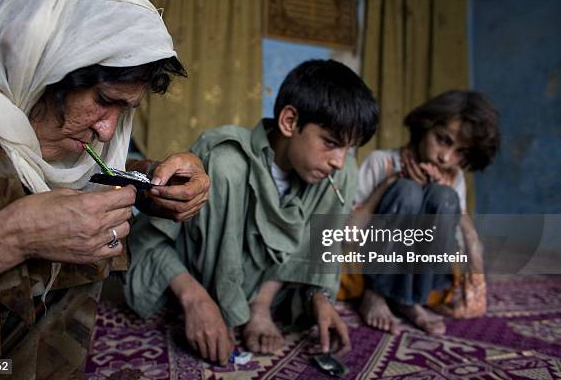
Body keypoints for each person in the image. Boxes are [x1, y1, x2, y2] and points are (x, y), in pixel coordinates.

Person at [0, 0, 210, 378]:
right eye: (104, 101)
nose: (107, 131)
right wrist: (14, 236)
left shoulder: (43, 129)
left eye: (123, 110)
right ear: (37, 62)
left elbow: (68, 172)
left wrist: (149, 181)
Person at [125, 59, 379, 365]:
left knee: (345, 175)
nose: (338, 160)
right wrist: (195, 300)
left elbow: (319, 246)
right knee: (228, 168)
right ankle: (214, 300)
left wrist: (313, 297)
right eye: (330, 143)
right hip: (199, 272)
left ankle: (256, 304)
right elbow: (153, 237)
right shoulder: (224, 154)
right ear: (289, 121)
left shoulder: (339, 172)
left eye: (348, 149)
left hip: (274, 287)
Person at [347, 90, 500, 335]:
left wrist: (448, 199)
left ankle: (410, 300)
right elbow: (349, 233)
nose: (446, 157)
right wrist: (388, 185)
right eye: (443, 139)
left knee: (444, 198)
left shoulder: (454, 178)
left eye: (460, 152)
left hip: (425, 272)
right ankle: (375, 293)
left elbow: (461, 243)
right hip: (370, 262)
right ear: (424, 126)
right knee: (406, 191)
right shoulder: (381, 161)